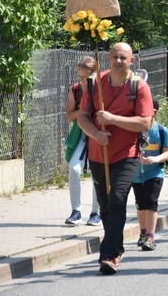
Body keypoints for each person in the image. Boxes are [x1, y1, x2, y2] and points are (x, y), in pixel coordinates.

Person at [77, 42, 155, 275]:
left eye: (124, 57)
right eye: (115, 57)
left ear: (132, 61)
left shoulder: (139, 87)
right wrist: (96, 133)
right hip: (98, 154)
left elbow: (145, 122)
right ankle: (117, 247)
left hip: (127, 154)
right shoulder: (94, 84)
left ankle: (108, 256)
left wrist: (111, 119)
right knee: (105, 205)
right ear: (108, 59)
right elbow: (81, 117)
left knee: (118, 199)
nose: (119, 61)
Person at [64, 56, 101, 226]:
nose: (82, 81)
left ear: (95, 75)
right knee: (74, 169)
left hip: (98, 134)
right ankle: (75, 211)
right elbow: (70, 116)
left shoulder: (102, 90)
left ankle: (96, 212)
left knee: (97, 173)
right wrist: (82, 111)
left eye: (85, 77)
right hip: (81, 133)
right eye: (79, 77)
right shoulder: (76, 90)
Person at [133, 98, 168, 251]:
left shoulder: (162, 131)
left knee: (151, 202)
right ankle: (142, 233)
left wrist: (156, 158)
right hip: (136, 174)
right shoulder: (134, 131)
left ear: (154, 112)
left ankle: (150, 237)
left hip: (155, 172)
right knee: (140, 205)